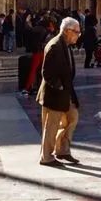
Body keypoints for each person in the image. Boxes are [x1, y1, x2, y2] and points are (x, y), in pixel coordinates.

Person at [36, 16, 81, 167]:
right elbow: (46, 72)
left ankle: (62, 149)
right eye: (76, 32)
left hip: (65, 93)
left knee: (72, 117)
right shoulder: (55, 45)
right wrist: (59, 86)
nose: (78, 35)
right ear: (68, 31)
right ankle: (46, 157)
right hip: (54, 93)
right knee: (52, 125)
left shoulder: (66, 44)